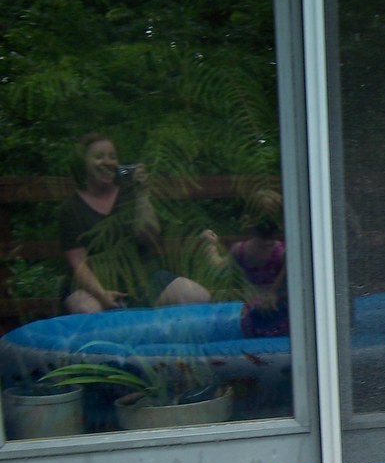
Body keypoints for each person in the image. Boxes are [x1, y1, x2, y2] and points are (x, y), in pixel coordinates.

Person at [58, 133, 211, 313]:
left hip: (141, 279)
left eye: (112, 157)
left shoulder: (130, 195)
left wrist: (142, 193)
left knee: (196, 296)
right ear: (83, 163)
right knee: (88, 310)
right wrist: (101, 295)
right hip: (92, 286)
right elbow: (78, 264)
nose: (107, 162)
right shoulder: (71, 209)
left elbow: (149, 237)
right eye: (99, 157)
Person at [204, 189, 288, 336]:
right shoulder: (282, 253)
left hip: (257, 319)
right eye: (265, 229)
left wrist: (209, 245)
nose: (268, 239)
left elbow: (219, 268)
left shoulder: (242, 251)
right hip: (273, 318)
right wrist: (210, 246)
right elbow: (219, 269)